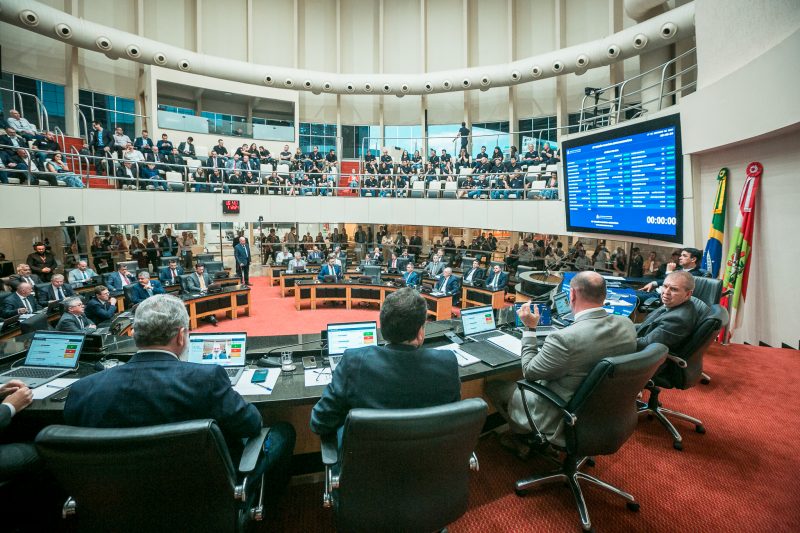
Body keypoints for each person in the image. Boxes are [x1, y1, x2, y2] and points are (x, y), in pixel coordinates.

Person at [63, 294, 296, 513]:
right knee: (282, 433)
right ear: (181, 336)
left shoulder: (84, 389)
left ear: (133, 333)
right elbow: (251, 425)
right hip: (203, 493)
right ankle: (257, 506)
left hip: (116, 500)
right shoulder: (206, 379)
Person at [486, 272, 637, 456]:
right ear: (604, 295)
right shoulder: (627, 324)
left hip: (559, 414)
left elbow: (529, 372)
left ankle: (522, 439)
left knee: (493, 386)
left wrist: (530, 328)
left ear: (572, 295)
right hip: (603, 412)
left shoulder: (565, 339)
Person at [310, 288, 460, 436]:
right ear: (420, 333)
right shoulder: (448, 362)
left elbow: (319, 422)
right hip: (430, 455)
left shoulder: (353, 361)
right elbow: (452, 418)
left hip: (369, 457)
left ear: (383, 329)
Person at [636, 271, 709, 352]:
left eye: (674, 289)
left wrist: (621, 339)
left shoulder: (678, 320)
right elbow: (646, 325)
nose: (666, 292)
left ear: (688, 294)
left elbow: (644, 345)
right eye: (665, 286)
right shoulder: (674, 304)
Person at [640, 247, 711, 292]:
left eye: (684, 256)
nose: (680, 258)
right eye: (681, 255)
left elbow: (672, 284)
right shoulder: (679, 269)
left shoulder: (695, 274)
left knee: (633, 298)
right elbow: (663, 280)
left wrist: (669, 271)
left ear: (693, 259)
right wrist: (653, 283)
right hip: (656, 291)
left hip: (663, 297)